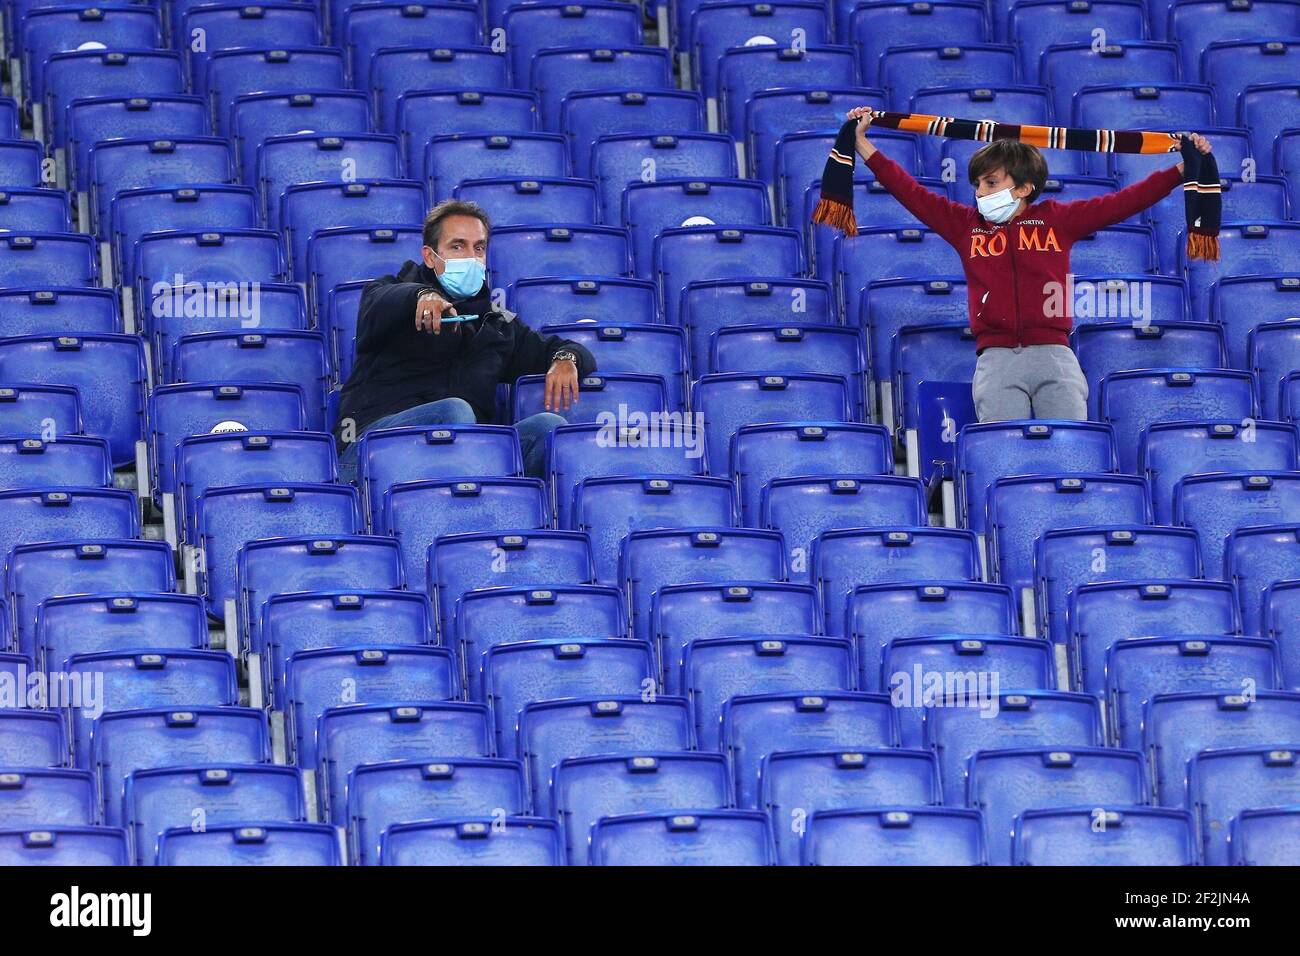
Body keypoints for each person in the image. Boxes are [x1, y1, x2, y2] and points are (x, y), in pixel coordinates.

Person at [847, 106, 1212, 422]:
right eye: (977, 184)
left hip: (1055, 357)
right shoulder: (964, 225)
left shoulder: (1058, 219)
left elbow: (1129, 200)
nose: (980, 193)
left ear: (1023, 188)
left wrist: (1184, 167)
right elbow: (908, 190)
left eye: (991, 183)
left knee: (1072, 453)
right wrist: (862, 144)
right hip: (995, 361)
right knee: (1005, 457)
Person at [334, 199, 597, 483]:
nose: (471, 257)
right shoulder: (389, 294)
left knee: (550, 427)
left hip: (467, 455)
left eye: (479, 247)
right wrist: (421, 296)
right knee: (454, 409)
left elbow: (558, 348)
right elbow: (381, 302)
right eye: (457, 246)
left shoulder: (497, 323)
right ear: (430, 256)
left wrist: (567, 359)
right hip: (373, 451)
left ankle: (504, 509)